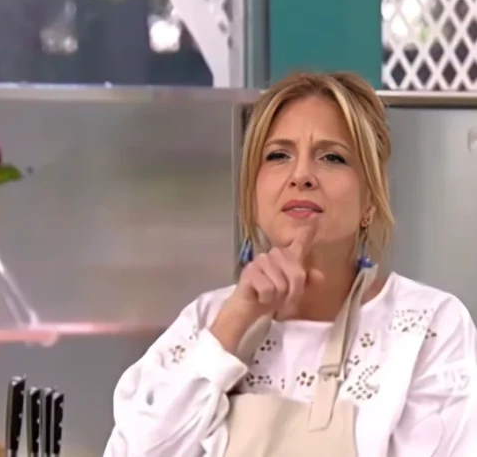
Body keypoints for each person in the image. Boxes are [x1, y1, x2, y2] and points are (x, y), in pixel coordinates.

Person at [104, 72, 477, 456]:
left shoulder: (428, 327)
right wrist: (235, 320)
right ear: (252, 195)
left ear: (370, 198)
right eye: (278, 155)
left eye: (332, 157)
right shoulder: (207, 321)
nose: (301, 176)